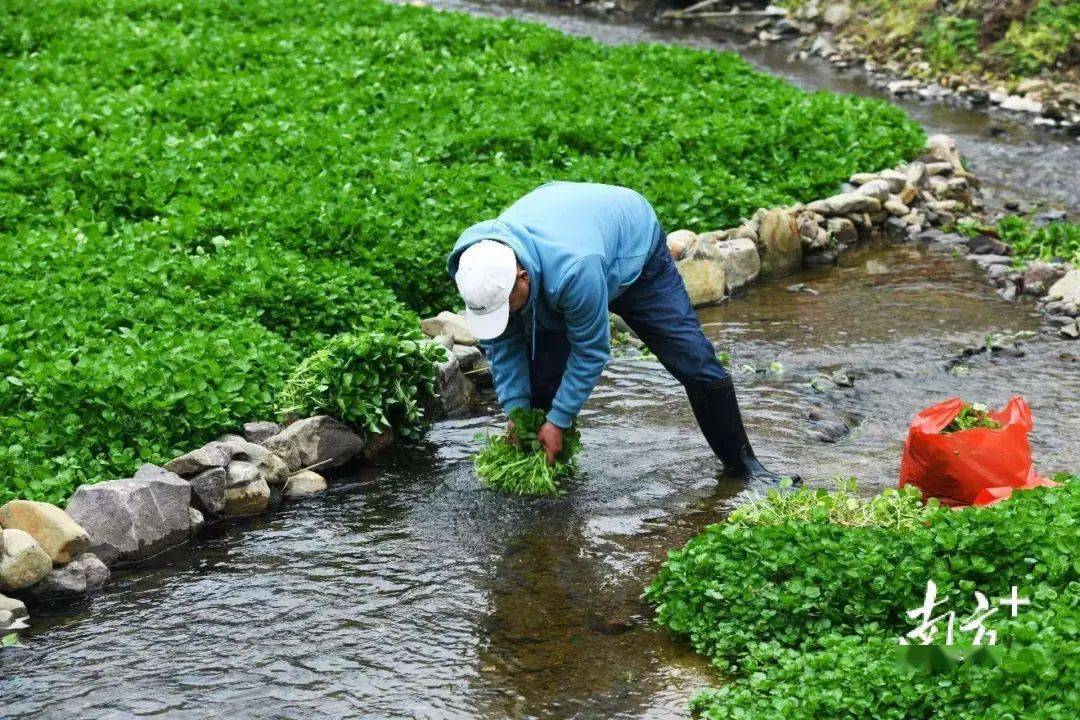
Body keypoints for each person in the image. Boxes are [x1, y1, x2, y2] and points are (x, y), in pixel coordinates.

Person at [447, 181, 795, 483]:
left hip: (630, 246)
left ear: (521, 276)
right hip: (570, 237)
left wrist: (560, 420)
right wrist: (517, 414)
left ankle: (743, 466)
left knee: (692, 359)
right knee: (541, 384)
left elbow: (590, 351)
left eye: (508, 307)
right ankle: (550, 467)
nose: (505, 317)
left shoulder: (573, 271)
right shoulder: (479, 267)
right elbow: (504, 346)